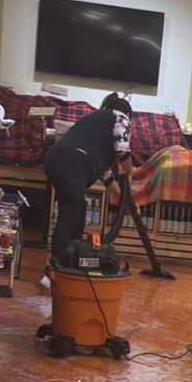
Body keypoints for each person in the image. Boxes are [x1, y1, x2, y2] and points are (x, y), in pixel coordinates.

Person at [43, 94, 133, 265]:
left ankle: (71, 259)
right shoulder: (121, 117)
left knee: (79, 212)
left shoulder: (95, 122)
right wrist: (130, 171)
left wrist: (124, 200)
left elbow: (106, 176)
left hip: (56, 158)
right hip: (73, 161)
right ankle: (57, 265)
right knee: (69, 216)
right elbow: (123, 151)